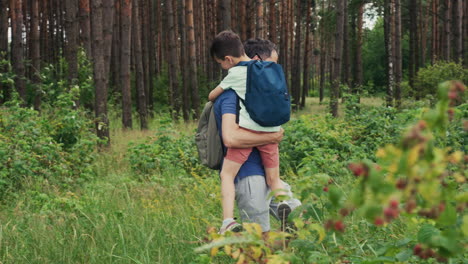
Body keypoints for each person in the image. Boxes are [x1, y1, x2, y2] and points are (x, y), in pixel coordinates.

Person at [210, 32, 299, 234]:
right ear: (257, 59)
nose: (272, 69)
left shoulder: (245, 86)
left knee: (299, 223)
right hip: (249, 176)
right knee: (259, 238)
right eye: (272, 63)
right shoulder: (230, 96)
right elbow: (231, 138)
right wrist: (272, 136)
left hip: (267, 177)